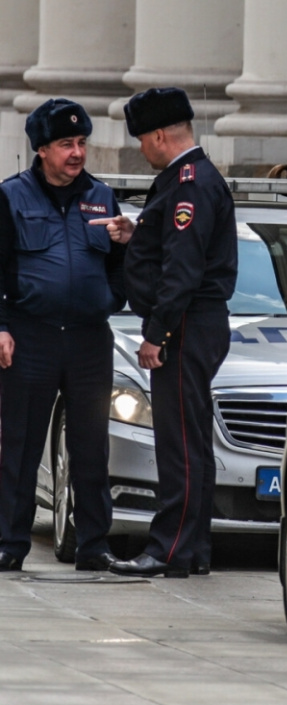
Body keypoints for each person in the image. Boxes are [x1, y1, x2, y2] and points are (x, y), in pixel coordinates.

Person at [94, 88, 238, 579]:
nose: (141, 149)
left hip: (185, 324)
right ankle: (193, 548)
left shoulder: (189, 184)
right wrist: (138, 235)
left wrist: (156, 334)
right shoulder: (187, 179)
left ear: (159, 135)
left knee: (178, 444)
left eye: (141, 140)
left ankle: (168, 549)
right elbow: (177, 247)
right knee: (192, 441)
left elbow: (183, 269)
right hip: (195, 322)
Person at [0, 99, 126, 573]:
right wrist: (1, 326)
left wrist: (111, 298)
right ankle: (10, 542)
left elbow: (119, 265)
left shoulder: (102, 197)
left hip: (89, 340)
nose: (77, 153)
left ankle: (93, 544)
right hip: (31, 336)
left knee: (91, 446)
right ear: (42, 149)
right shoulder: (11, 197)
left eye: (82, 143)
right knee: (21, 444)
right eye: (66, 144)